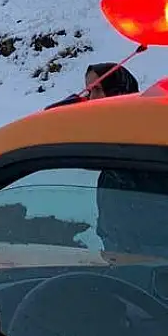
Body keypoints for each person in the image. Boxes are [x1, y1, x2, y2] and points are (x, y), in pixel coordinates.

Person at [44, 62, 168, 255]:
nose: (90, 98)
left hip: (153, 261)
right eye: (88, 91)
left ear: (118, 92)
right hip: (119, 255)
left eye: (97, 90)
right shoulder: (109, 135)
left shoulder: (145, 135)